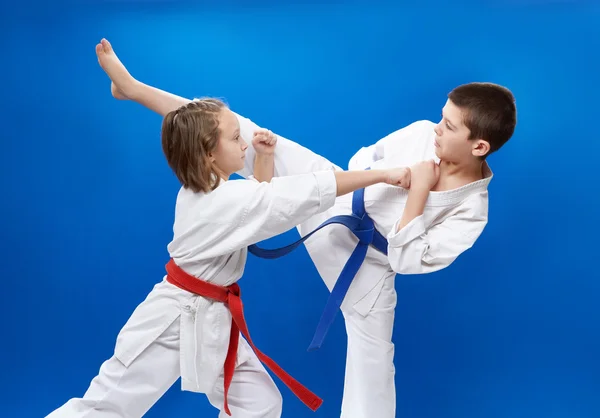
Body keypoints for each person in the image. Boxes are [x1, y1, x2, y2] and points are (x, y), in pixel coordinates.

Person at [94, 38, 517, 418]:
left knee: (374, 362)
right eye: (441, 118)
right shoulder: (424, 134)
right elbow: (362, 161)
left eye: (449, 126)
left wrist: (419, 192)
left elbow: (408, 261)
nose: (436, 128)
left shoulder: (471, 213)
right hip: (338, 200)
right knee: (237, 130)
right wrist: (380, 179)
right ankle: (133, 89)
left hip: (369, 265)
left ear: (479, 146)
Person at [45, 45, 412, 418]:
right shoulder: (218, 203)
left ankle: (131, 88)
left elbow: (258, 206)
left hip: (212, 316)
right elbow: (295, 194)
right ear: (208, 154)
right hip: (173, 319)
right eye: (236, 138)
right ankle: (131, 87)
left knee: (258, 404)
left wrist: (265, 159)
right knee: (106, 408)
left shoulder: (210, 189)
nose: (244, 143)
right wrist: (382, 175)